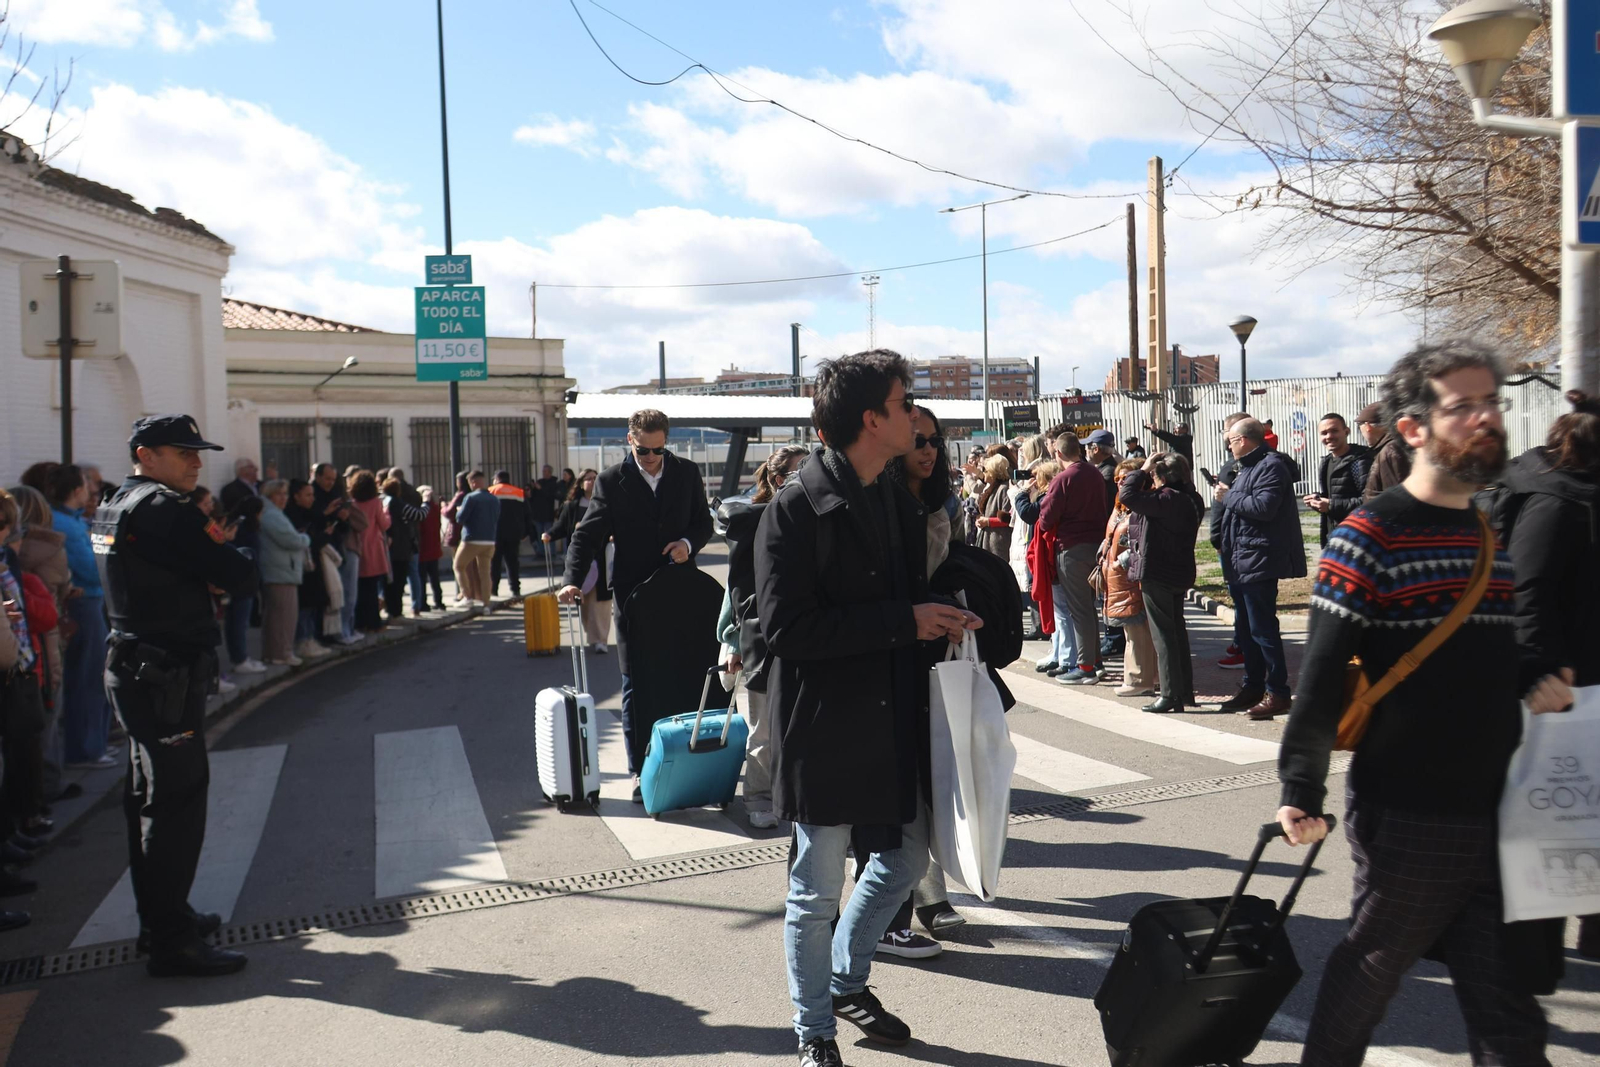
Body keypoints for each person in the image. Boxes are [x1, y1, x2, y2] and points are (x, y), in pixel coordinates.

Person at [1276, 340, 1574, 1067]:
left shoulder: (1482, 531)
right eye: (1463, 406)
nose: (1487, 419)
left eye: (1491, 404)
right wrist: (1300, 787)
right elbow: (1319, 676)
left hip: (1496, 802)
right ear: (1412, 428)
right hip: (1413, 806)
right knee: (1373, 964)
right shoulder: (1369, 535)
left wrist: (1534, 671)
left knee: (1506, 995)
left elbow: (1487, 653)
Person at [753, 351, 979, 1067]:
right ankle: (813, 1028)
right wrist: (902, 622)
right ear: (871, 419)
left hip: (890, 715)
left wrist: (944, 617)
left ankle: (848, 978)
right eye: (906, 402)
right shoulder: (795, 507)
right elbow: (785, 629)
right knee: (815, 887)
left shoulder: (892, 494)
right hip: (823, 726)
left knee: (907, 854)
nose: (917, 415)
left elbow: (907, 598)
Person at [93, 414, 259, 976]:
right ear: (146, 453)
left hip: (135, 666)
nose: (195, 461)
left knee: (148, 801)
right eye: (182, 452)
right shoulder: (165, 511)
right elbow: (237, 574)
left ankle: (162, 920)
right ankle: (172, 941)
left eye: (197, 452)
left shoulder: (115, 504)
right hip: (162, 673)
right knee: (176, 808)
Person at [557, 409, 713, 795]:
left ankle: (691, 759)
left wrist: (688, 544)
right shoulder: (611, 481)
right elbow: (586, 536)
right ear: (630, 440)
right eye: (644, 451)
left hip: (680, 590)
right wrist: (571, 581)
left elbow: (703, 522)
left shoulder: (687, 473)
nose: (652, 458)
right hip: (635, 597)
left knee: (685, 674)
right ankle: (640, 769)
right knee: (635, 682)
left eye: (659, 450)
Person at [1498, 389, 1600, 958]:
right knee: (1557, 816)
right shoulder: (1556, 501)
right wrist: (1542, 671)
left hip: (1586, 682)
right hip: (1565, 688)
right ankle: (1529, 944)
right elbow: (1527, 589)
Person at [715, 447, 807, 830]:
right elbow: (735, 590)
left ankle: (794, 795)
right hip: (757, 637)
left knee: (799, 725)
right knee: (764, 729)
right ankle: (757, 796)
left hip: (802, 634)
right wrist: (732, 642)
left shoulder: (814, 516)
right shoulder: (749, 520)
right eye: (798, 473)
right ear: (776, 478)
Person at [1214, 417, 1305, 720]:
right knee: (1247, 629)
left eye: (1230, 439)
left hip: (1259, 559)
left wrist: (1229, 495)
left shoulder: (1270, 465)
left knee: (1263, 629)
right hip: (1241, 559)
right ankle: (1253, 687)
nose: (1227, 445)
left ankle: (1278, 692)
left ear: (1243, 440)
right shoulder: (1247, 467)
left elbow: (1263, 508)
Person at [1119, 453, 1206, 713]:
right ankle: (1184, 692)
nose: (1152, 482)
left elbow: (1127, 495)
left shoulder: (1166, 498)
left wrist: (1142, 470)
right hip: (1179, 572)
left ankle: (1170, 695)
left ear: (1164, 477)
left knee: (1163, 636)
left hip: (1158, 573)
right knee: (1176, 632)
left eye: (1155, 478)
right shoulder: (1192, 498)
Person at [45, 464, 117, 769]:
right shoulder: (68, 525)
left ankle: (94, 744)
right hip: (86, 605)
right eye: (88, 484)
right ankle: (87, 749)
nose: (92, 489)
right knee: (88, 679)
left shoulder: (72, 521)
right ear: (77, 490)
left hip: (90, 603)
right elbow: (92, 568)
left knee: (89, 677)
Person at [8, 485, 70, 803]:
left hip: (28, 646)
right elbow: (50, 607)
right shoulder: (50, 548)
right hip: (44, 643)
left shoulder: (20, 564)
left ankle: (39, 797)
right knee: (46, 719)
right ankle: (44, 793)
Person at [1038, 432, 1109, 685]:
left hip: (1071, 549)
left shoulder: (1062, 479)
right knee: (1088, 608)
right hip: (1096, 546)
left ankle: (1086, 667)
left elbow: (1046, 520)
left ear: (1057, 453)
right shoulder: (1094, 474)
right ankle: (1095, 662)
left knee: (1079, 610)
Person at [1097, 458, 1159, 698]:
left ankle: (1139, 680)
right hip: (1117, 579)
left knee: (1138, 633)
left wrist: (1118, 562)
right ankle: (1148, 677)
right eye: (1118, 479)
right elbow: (1114, 536)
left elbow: (1140, 544)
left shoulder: (1142, 506)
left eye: (1126, 478)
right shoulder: (1119, 507)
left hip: (1131, 578)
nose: (1121, 483)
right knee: (1132, 632)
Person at [544, 470, 609, 652]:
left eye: (595, 478)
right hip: (581, 561)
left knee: (601, 602)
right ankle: (592, 635)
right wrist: (549, 534)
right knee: (584, 601)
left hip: (602, 559)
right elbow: (561, 526)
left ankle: (600, 640)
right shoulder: (572, 506)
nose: (592, 481)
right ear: (580, 484)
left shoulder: (607, 504)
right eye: (588, 479)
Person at [1209, 412, 1252, 671]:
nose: (1227, 441)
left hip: (1234, 542)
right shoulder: (1237, 464)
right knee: (1242, 598)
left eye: (1230, 435)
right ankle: (1242, 643)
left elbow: (1219, 507)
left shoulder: (1235, 466)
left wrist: (1216, 537)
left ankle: (1243, 646)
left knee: (1242, 597)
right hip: (1236, 541)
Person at [258, 480, 312, 667]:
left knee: (279, 617)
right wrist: (305, 538)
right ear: (270, 495)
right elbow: (291, 540)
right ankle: (281, 653)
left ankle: (276, 653)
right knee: (283, 618)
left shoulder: (273, 513)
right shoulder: (272, 515)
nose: (284, 498)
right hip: (280, 572)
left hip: (281, 571)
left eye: (285, 494)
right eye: (279, 494)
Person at [312, 464, 365, 644]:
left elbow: (344, 527)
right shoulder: (313, 495)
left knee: (344, 592)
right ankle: (336, 632)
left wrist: (341, 517)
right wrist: (327, 514)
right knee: (335, 593)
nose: (330, 483)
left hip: (336, 547)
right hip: (321, 549)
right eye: (327, 479)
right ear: (317, 476)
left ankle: (344, 629)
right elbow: (313, 519)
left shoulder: (335, 494)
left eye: (333, 480)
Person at [283, 479, 335, 661]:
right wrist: (323, 537)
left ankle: (310, 639)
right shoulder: (292, 515)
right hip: (301, 567)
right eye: (308, 495)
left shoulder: (308, 513)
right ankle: (303, 641)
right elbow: (304, 540)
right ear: (296, 496)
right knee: (304, 606)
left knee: (312, 605)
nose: (312, 498)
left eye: (313, 495)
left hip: (311, 566)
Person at [1306, 413, 1371, 546]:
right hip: (1334, 537)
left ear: (1346, 431)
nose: (1329, 436)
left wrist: (1330, 505)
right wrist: (1317, 500)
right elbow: (1334, 495)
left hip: (1359, 538)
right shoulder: (1326, 462)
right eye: (1324, 433)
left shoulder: (1361, 461)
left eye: (1334, 431)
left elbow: (1370, 501)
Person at [223, 495, 267, 674]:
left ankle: (241, 657)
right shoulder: (244, 529)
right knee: (238, 622)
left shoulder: (241, 526)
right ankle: (239, 658)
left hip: (240, 580)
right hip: (242, 581)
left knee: (237, 621)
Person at [348, 471, 392, 633]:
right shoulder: (375, 503)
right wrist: (388, 515)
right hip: (373, 547)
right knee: (372, 588)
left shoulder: (352, 503)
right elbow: (384, 524)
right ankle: (374, 623)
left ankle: (359, 622)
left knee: (358, 588)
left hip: (357, 546)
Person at [382, 471, 427, 619]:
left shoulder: (385, 501)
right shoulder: (397, 503)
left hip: (390, 546)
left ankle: (390, 609)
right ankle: (398, 611)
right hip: (401, 546)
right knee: (401, 580)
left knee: (391, 581)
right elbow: (418, 515)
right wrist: (426, 502)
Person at [453, 471, 500, 609]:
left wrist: (459, 509)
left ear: (473, 482)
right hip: (490, 540)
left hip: (471, 539)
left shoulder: (471, 497)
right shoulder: (494, 499)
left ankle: (467, 596)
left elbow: (460, 518)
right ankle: (486, 604)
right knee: (485, 572)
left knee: (458, 566)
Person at [487, 470, 530, 599]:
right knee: (512, 562)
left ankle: (493, 590)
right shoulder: (518, 492)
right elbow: (527, 514)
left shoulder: (490, 491)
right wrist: (525, 532)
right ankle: (515, 589)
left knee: (495, 563)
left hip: (495, 534)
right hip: (514, 533)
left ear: (496, 479)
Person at [1360, 400, 1412, 502]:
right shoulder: (1396, 445)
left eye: (1359, 427)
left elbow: (1396, 499)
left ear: (1367, 427)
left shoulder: (1391, 450)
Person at [971, 454, 1013, 561]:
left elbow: (1008, 518)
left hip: (1000, 544)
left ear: (994, 473)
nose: (983, 473)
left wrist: (988, 521)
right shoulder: (992, 488)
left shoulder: (1004, 489)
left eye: (986, 470)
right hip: (989, 542)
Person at [416, 485, 446, 612]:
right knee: (435, 578)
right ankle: (439, 602)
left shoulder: (422, 510)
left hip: (423, 549)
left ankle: (423, 603)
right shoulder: (435, 508)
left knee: (421, 579)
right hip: (434, 548)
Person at [529, 464, 560, 546]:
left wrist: (541, 489)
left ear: (549, 472)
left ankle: (551, 552)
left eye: (545, 471)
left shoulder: (554, 483)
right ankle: (541, 553)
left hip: (547, 514)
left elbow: (552, 496)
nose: (543, 473)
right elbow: (533, 497)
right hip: (538, 513)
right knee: (539, 534)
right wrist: (532, 489)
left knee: (549, 534)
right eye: (543, 471)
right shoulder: (540, 481)